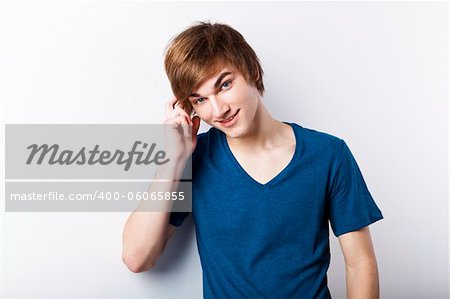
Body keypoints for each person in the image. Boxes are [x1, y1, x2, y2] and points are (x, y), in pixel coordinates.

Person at [122, 21, 384, 299]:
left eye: (224, 84)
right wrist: (172, 160)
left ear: (253, 72)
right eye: (200, 100)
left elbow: (360, 263)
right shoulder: (193, 159)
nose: (218, 110)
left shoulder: (328, 154)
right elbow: (137, 258)